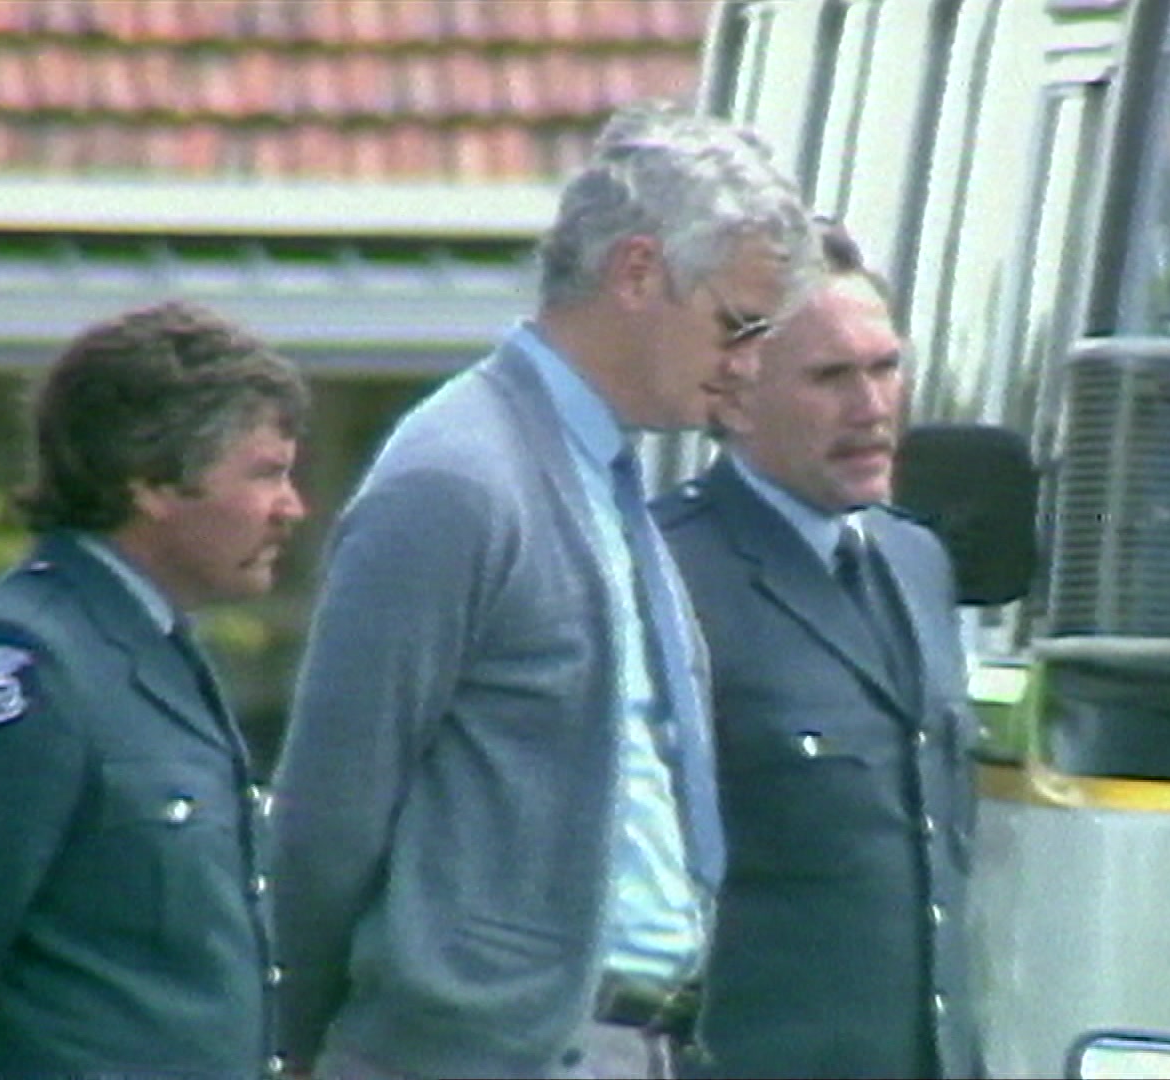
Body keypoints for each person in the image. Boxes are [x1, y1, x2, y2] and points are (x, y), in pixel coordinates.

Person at [268, 100, 816, 1080]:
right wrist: (301, 1048)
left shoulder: (601, 477)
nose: (749, 364)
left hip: (621, 1045)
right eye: (736, 325)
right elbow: (330, 810)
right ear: (638, 272)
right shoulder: (458, 478)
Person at [0, 300, 311, 1079]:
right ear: (154, 481)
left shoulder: (155, 649)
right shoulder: (24, 666)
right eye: (266, 472)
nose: (293, 508)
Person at [652, 219, 986, 1078]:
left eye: (885, 367)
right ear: (735, 395)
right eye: (831, 377)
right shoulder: (666, 574)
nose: (872, 408)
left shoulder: (916, 562)